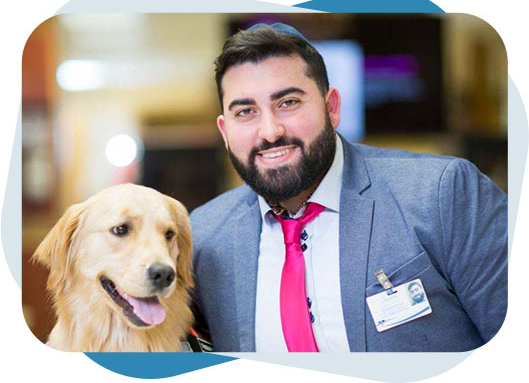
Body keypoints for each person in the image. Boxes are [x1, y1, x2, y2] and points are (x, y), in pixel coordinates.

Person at [190, 23, 508, 352]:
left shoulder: (443, 193)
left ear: (332, 107)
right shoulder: (202, 238)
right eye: (246, 112)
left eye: (288, 102)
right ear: (225, 132)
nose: (270, 131)